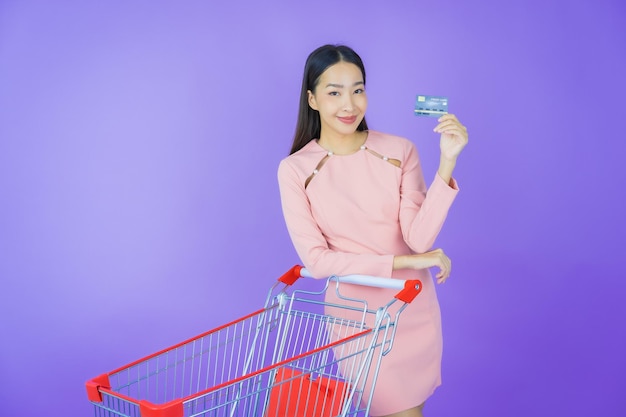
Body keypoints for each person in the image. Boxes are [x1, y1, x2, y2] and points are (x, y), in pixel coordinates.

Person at [277, 44, 468, 417]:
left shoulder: (400, 150)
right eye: (334, 92)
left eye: (357, 89)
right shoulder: (295, 170)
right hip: (356, 318)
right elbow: (317, 260)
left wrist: (447, 161)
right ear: (312, 99)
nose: (349, 104)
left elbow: (420, 238)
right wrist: (405, 261)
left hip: (411, 308)